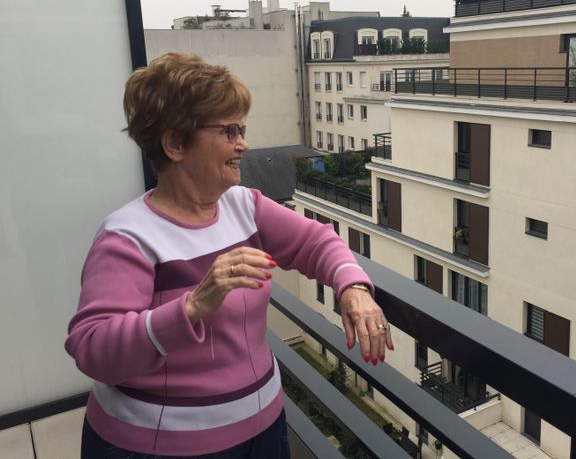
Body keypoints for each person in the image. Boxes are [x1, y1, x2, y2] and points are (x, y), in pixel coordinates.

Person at [65, 51, 393, 458]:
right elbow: (92, 348)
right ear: (174, 144)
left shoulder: (244, 206)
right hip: (160, 446)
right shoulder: (128, 236)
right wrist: (191, 307)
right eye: (229, 131)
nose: (244, 144)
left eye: (242, 128)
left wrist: (353, 288)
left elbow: (317, 241)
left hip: (264, 428)